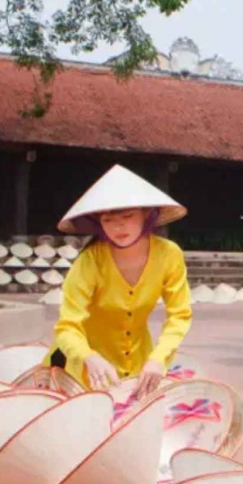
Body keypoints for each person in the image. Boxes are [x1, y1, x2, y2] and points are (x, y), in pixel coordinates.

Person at [46, 165, 193, 393]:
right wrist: (88, 357)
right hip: (84, 371)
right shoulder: (89, 261)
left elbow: (180, 316)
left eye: (128, 216)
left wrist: (158, 358)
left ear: (147, 214)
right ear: (99, 224)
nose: (119, 226)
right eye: (108, 220)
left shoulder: (169, 254)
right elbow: (67, 326)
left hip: (141, 367)